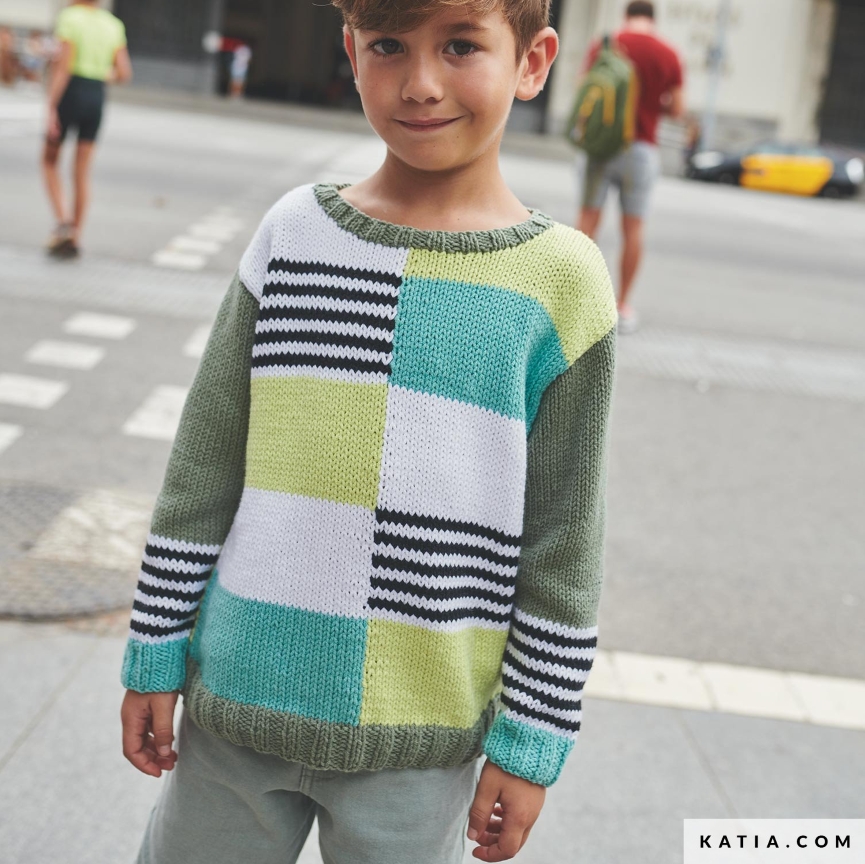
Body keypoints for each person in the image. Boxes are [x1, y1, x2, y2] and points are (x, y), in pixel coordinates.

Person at [119, 0, 617, 862]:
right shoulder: (292, 235)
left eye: (459, 46)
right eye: (388, 45)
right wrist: (154, 649)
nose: (419, 83)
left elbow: (563, 541)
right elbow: (204, 466)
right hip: (237, 703)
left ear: (532, 62)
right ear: (350, 51)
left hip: (421, 742)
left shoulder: (562, 282)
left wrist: (532, 739)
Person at [577, 0, 684, 333]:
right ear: (653, 19)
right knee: (633, 229)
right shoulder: (668, 54)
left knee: (587, 222)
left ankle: (577, 302)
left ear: (627, 16)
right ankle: (621, 305)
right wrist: (651, 106)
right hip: (640, 150)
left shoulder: (606, 44)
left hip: (601, 147)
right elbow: (678, 109)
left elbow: (584, 89)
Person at [42, 0, 131, 258]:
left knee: (49, 161)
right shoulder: (113, 24)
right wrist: (100, 74)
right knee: (81, 171)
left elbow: (63, 67)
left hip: (70, 92)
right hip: (96, 95)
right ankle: (76, 235)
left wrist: (51, 107)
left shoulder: (70, 17)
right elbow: (124, 73)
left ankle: (63, 222)